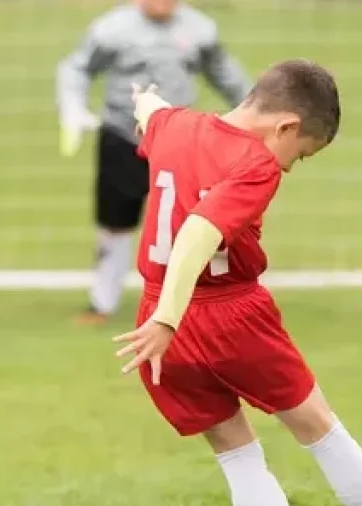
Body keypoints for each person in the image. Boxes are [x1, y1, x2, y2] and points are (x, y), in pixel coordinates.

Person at [113, 61, 362, 506]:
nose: (291, 166)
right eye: (302, 153)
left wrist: (142, 100)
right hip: (222, 314)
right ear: (285, 126)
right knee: (319, 429)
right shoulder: (255, 164)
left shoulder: (173, 125)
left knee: (233, 452)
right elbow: (198, 233)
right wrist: (168, 318)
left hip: (161, 322)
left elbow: (152, 112)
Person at [56, 0, 250, 325]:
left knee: (194, 221)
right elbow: (76, 67)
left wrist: (256, 117)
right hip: (124, 136)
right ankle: (102, 302)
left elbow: (226, 76)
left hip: (180, 140)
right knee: (115, 222)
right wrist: (72, 107)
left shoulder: (200, 29)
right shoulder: (110, 29)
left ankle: (202, 301)